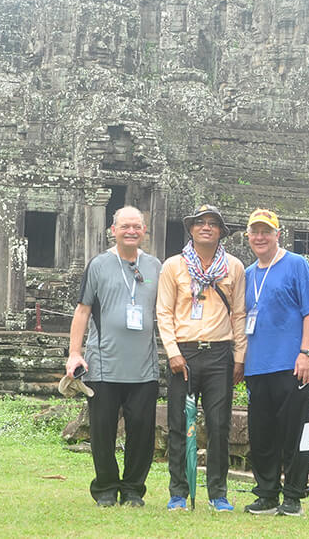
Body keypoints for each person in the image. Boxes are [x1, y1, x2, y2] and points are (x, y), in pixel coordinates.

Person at [65, 206, 162, 508]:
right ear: (113, 229)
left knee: (142, 434)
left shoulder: (157, 267)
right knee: (102, 432)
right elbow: (82, 310)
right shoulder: (99, 265)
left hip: (144, 367)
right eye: (125, 226)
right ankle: (106, 488)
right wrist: (74, 353)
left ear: (144, 230)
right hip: (103, 364)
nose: (131, 231)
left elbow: (167, 313)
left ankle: (134, 489)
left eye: (137, 226)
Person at [156, 204, 247, 512]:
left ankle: (218, 494)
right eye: (200, 223)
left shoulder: (233, 267)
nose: (206, 227)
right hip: (184, 352)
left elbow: (239, 313)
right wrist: (172, 352)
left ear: (221, 231)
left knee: (219, 425)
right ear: (191, 229)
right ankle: (179, 492)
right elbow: (164, 312)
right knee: (179, 423)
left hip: (220, 353)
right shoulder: (173, 266)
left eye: (213, 223)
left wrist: (240, 356)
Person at [241, 208, 309, 517]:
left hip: (291, 364)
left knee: (295, 433)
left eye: (266, 231)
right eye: (255, 232)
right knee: (261, 434)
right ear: (248, 237)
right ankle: (267, 493)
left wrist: (305, 353)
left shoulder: (297, 264)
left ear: (278, 234)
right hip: (257, 367)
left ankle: (294, 496)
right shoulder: (247, 274)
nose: (260, 237)